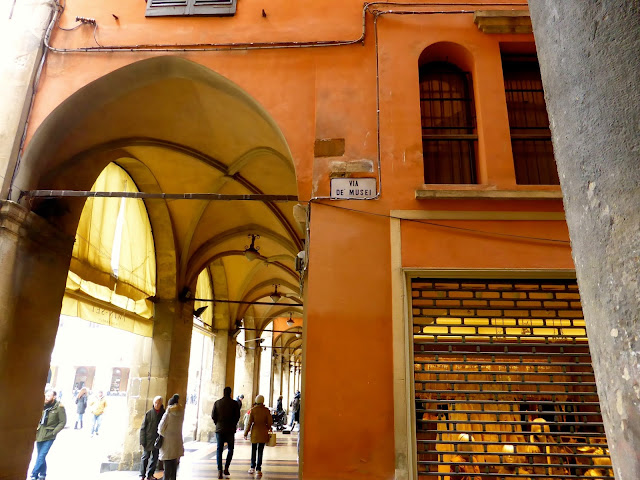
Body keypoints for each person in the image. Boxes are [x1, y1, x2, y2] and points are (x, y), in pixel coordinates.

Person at [30, 390, 66, 480]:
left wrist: (54, 432)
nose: (46, 398)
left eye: (49, 396)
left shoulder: (59, 407)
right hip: (40, 433)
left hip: (50, 435)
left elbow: (63, 422)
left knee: (41, 455)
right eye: (46, 396)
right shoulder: (42, 405)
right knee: (40, 455)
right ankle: (43, 474)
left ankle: (34, 474)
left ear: (54, 397)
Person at [212, 386, 241, 479]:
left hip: (220, 429)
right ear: (230, 393)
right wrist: (233, 424)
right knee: (230, 449)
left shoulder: (217, 403)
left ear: (223, 393)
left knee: (219, 450)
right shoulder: (234, 404)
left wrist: (217, 423)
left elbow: (213, 415)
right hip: (230, 430)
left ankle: (219, 469)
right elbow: (237, 416)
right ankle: (226, 468)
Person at [244, 394, 273, 478]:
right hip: (263, 432)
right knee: (260, 450)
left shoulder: (253, 410)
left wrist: (246, 433)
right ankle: (258, 469)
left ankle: (252, 467)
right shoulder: (266, 410)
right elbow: (270, 422)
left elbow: (249, 423)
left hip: (255, 433)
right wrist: (268, 427)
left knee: (254, 449)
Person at [158, 394, 184, 480]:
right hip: (176, 443)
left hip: (167, 444)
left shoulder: (168, 413)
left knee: (167, 469)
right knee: (174, 467)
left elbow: (160, 428)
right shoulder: (181, 412)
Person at [139, 396, 165, 480]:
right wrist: (142, 440)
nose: (157, 404)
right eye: (155, 403)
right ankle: (142, 475)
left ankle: (150, 474)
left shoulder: (164, 414)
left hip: (157, 440)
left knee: (155, 458)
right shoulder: (149, 413)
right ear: (153, 403)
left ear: (161, 404)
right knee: (145, 457)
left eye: (159, 403)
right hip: (148, 439)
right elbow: (143, 428)